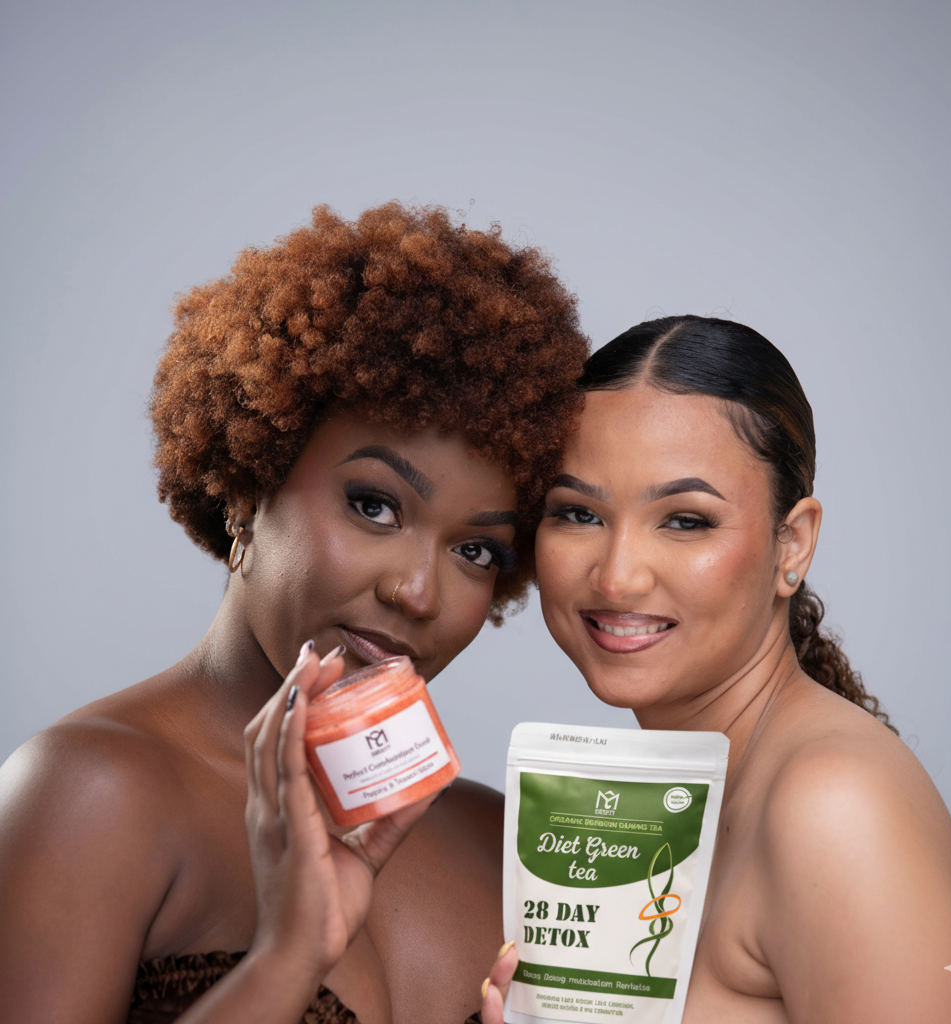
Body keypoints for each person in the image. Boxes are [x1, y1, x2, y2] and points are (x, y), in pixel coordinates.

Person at [0, 202, 589, 1024]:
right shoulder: (93, 792)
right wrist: (285, 960)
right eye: (375, 506)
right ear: (250, 485)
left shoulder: (506, 844)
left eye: (476, 550)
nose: (417, 592)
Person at [481, 315, 951, 1023]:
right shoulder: (665, 802)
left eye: (685, 520)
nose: (618, 577)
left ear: (793, 543)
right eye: (578, 514)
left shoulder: (834, 806)